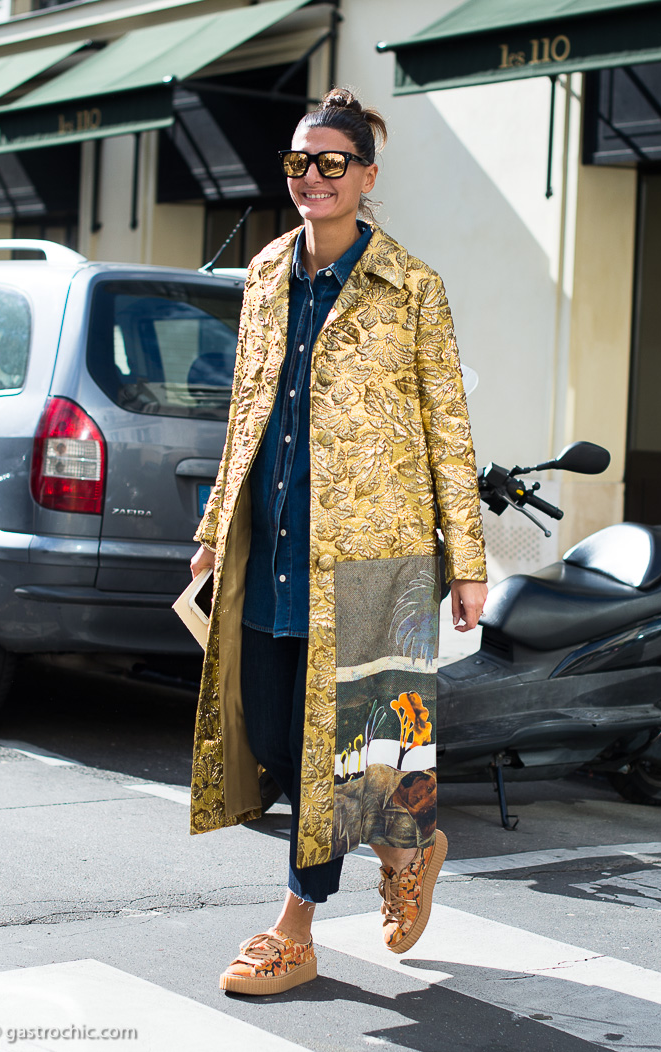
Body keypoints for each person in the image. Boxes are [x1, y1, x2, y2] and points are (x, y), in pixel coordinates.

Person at [189, 88, 487, 996]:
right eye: (297, 162)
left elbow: (449, 426)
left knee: (342, 753)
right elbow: (245, 412)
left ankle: (295, 930)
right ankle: (413, 841)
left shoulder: (412, 287)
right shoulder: (267, 273)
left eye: (330, 163)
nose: (311, 178)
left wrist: (467, 564)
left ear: (365, 175)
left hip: (376, 559)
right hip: (273, 546)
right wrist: (211, 531)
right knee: (283, 744)